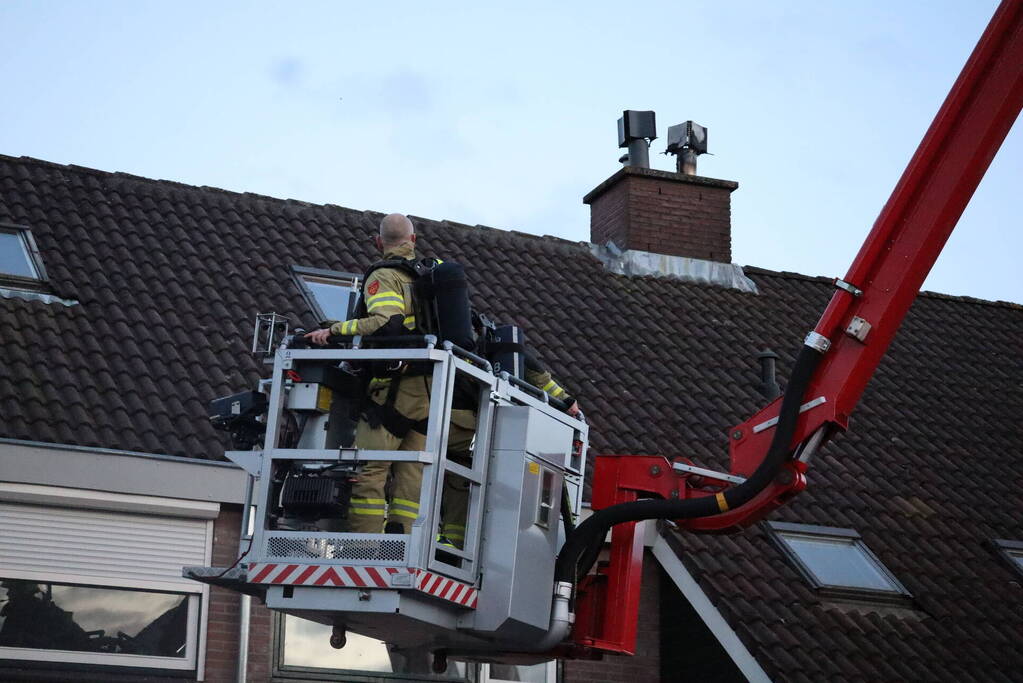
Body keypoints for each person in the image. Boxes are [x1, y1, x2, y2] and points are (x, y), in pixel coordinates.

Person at [306, 213, 433, 534]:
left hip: (394, 389)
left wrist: (335, 331)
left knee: (369, 471)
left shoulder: (386, 276)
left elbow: (384, 320)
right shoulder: (427, 276)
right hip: (430, 391)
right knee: (411, 475)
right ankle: (403, 546)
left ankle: (365, 549)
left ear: (378, 243)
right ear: (413, 241)